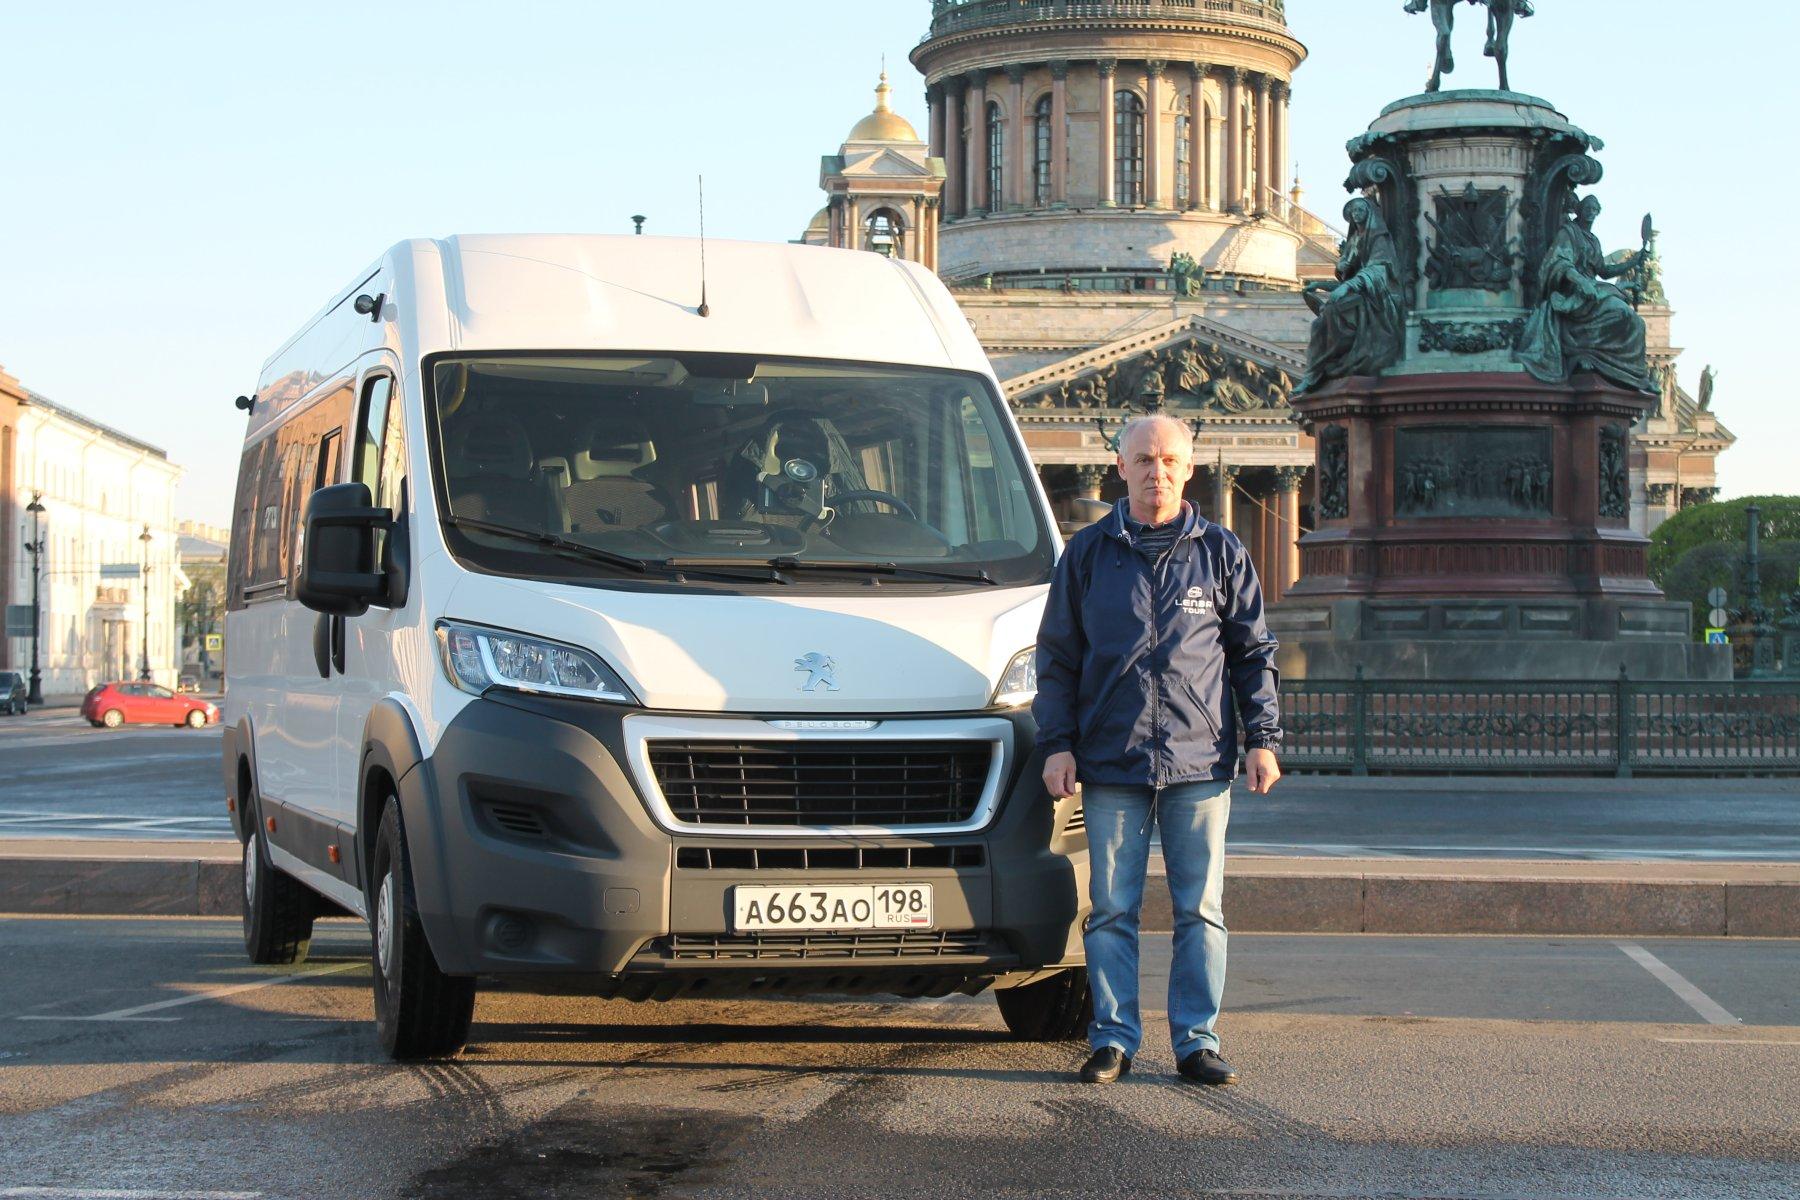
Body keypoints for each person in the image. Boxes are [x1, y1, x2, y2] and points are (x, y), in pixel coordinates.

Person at [1034, 415, 1282, 1087]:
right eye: (1144, 458)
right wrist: (1057, 745)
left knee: (1199, 909)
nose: (1157, 470)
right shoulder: (1086, 554)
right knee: (1112, 908)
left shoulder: (1222, 551)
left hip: (1199, 762)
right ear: (1120, 466)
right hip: (1111, 762)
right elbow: (1056, 660)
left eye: (1170, 458)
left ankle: (1196, 1043)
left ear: (1189, 467)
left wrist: (1263, 739)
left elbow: (1253, 655)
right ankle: (1113, 1039)